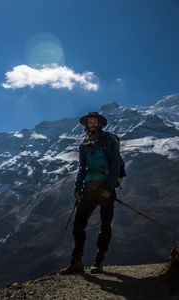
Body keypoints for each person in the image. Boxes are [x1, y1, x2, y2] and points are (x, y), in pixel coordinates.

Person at [60, 112, 121, 274]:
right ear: (86, 125)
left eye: (95, 121)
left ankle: (99, 261)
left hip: (105, 187)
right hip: (89, 188)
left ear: (100, 124)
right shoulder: (84, 144)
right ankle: (77, 262)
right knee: (78, 224)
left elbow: (115, 164)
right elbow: (82, 168)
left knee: (105, 224)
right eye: (89, 122)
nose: (92, 124)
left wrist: (109, 188)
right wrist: (77, 188)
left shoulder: (109, 140)